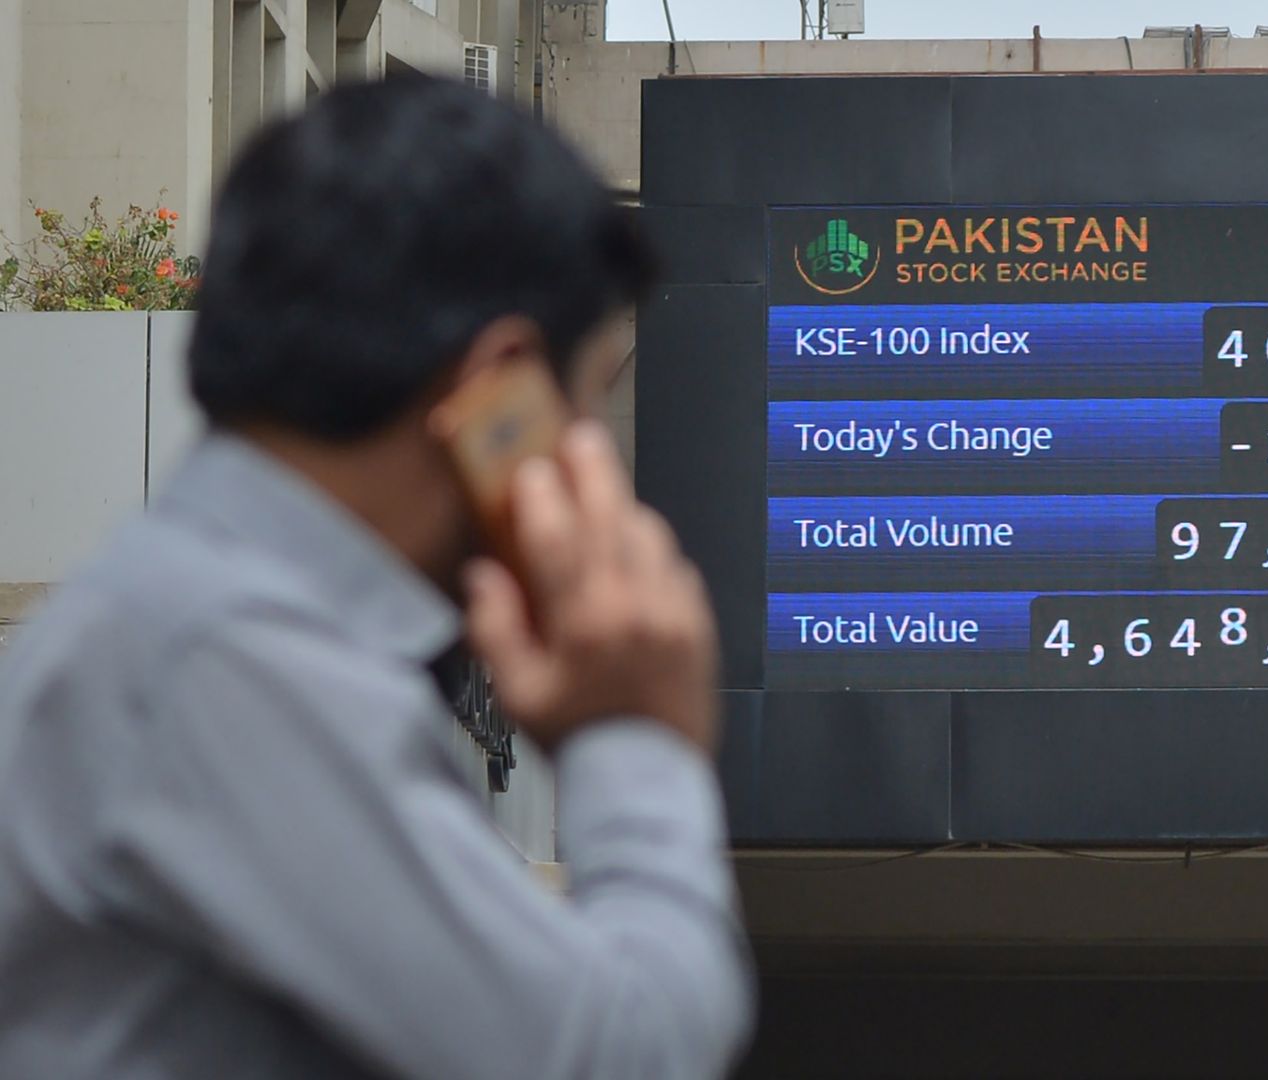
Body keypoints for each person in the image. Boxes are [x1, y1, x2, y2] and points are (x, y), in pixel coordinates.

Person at [0, 78, 752, 1078]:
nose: (594, 464)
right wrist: (636, 734)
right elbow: (619, 1054)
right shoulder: (224, 656)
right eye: (586, 403)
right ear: (499, 389)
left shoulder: (186, 626)